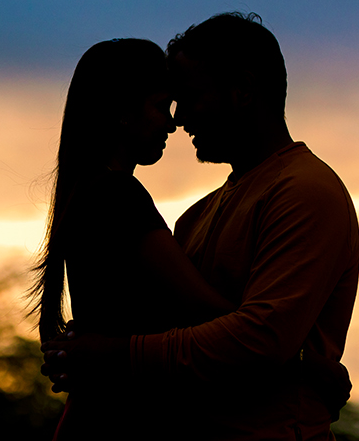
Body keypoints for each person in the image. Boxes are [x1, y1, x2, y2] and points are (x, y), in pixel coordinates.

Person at [41, 12, 359, 440]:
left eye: (189, 98)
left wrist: (112, 352)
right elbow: (202, 331)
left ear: (243, 91)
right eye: (167, 104)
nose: (180, 119)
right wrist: (305, 364)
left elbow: (257, 340)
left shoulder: (305, 191)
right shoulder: (194, 216)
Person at [28, 38, 238, 439]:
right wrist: (301, 360)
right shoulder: (117, 195)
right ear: (123, 113)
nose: (172, 124)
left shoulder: (90, 191)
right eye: (161, 107)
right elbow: (208, 313)